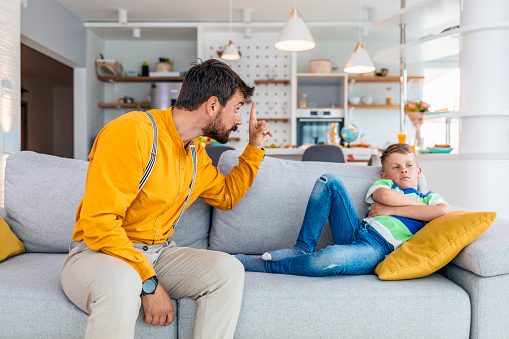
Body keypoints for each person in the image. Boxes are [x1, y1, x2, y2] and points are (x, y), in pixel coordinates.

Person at [61, 59, 272, 339]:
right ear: (212, 106)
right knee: (123, 283)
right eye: (236, 109)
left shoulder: (195, 154)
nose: (238, 120)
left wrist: (254, 147)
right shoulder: (132, 132)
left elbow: (227, 196)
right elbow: (99, 223)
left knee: (228, 270)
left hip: (158, 253)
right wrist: (148, 283)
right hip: (100, 253)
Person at [235, 143, 451, 276]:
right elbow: (384, 197)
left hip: (379, 249)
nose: (403, 169)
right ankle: (303, 247)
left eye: (409, 165)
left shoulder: (430, 197)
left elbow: (442, 212)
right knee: (329, 180)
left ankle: (265, 267)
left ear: (419, 171)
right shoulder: (386, 186)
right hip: (357, 230)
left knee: (330, 258)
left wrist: (391, 211)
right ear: (385, 175)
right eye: (396, 167)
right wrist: (415, 208)